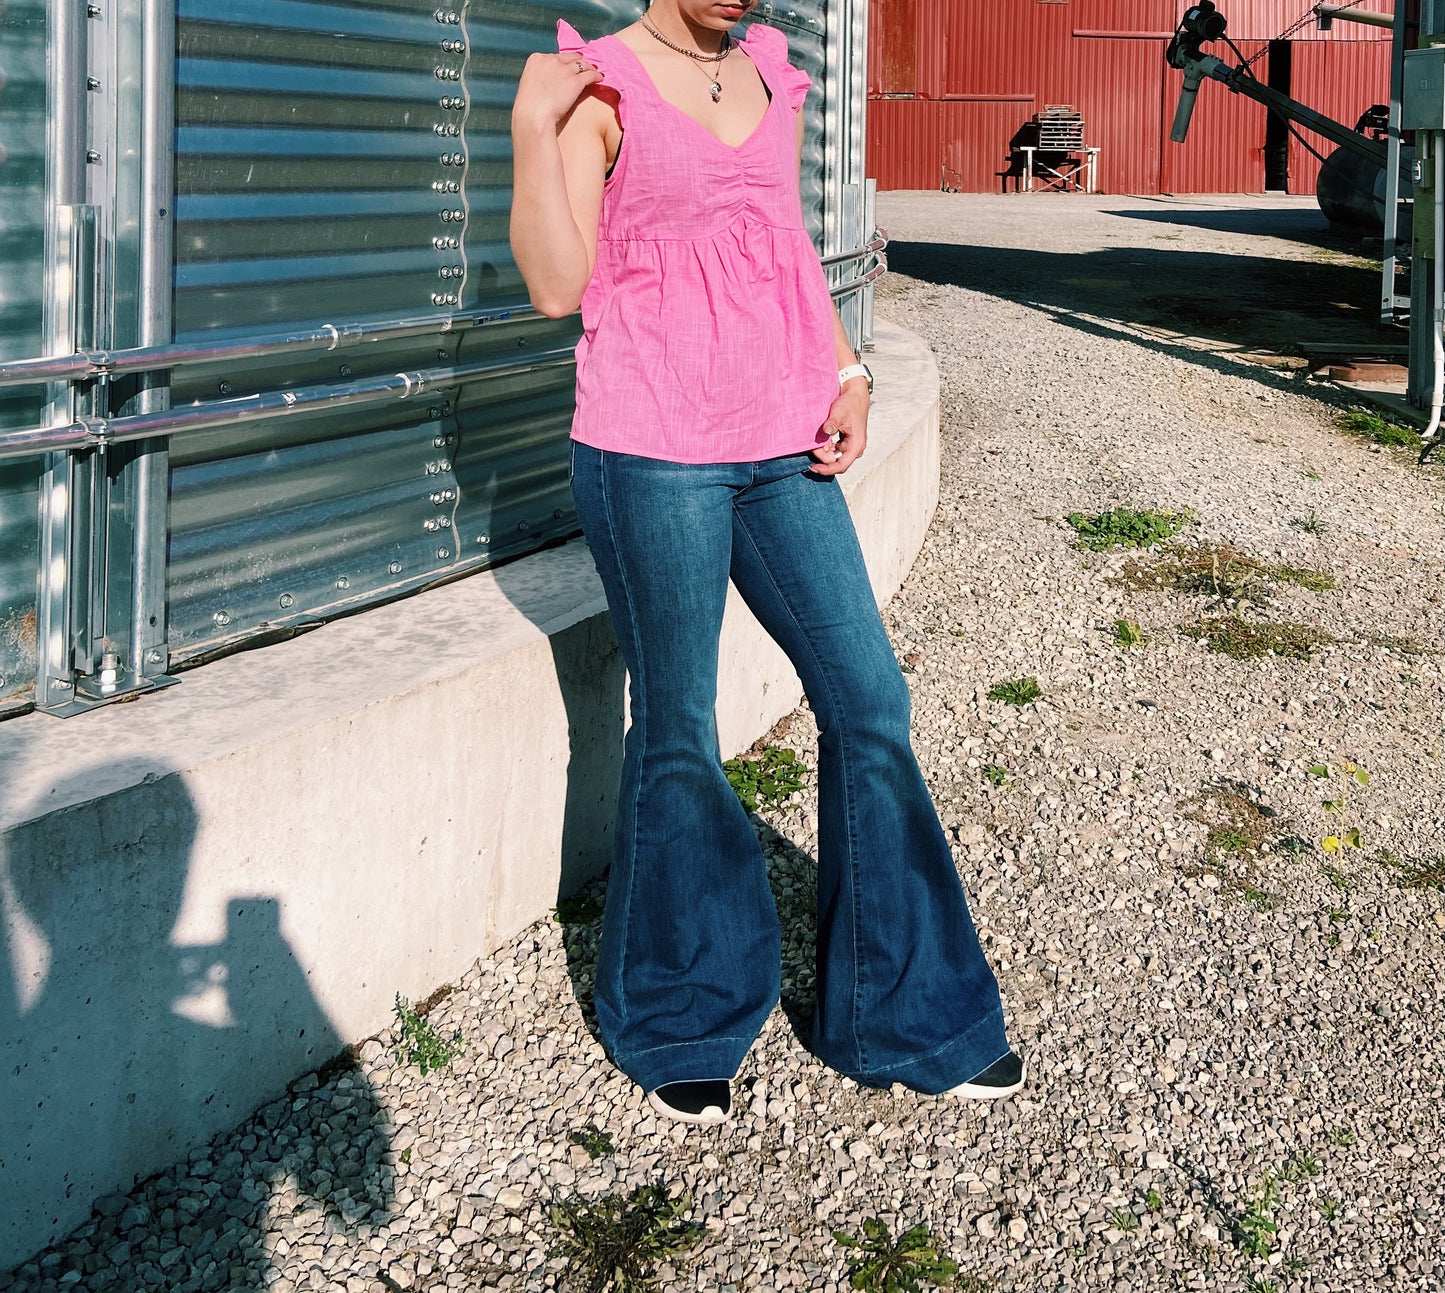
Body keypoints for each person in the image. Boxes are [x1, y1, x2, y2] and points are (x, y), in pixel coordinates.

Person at [509, 0, 1023, 1127]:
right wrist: (525, 128)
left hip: (781, 437)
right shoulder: (594, 83)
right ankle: (681, 1014)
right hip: (652, 447)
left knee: (869, 701)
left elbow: (779, 240)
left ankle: (897, 1011)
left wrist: (846, 370)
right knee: (680, 729)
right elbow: (556, 286)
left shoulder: (770, 71)